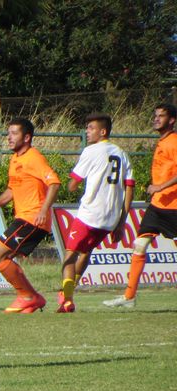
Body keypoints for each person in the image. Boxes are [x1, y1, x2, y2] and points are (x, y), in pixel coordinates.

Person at [0, 117, 61, 313]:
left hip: (33, 218)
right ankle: (31, 298)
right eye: (8, 133)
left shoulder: (34, 157)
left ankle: (28, 296)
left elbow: (54, 183)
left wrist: (43, 210)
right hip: (24, 218)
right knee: (3, 257)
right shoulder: (15, 159)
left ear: (27, 137)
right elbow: (12, 190)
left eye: (14, 133)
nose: (9, 137)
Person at [104, 103, 177, 308]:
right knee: (140, 245)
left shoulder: (174, 142)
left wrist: (160, 186)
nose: (156, 119)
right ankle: (129, 296)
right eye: (155, 115)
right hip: (157, 206)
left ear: (172, 120)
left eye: (161, 116)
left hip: (173, 206)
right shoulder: (162, 141)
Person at [59, 113, 134, 312]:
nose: (87, 131)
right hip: (110, 218)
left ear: (103, 131)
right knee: (86, 252)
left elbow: (73, 184)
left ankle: (67, 299)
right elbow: (130, 187)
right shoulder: (122, 153)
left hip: (89, 214)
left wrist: (70, 185)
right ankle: (69, 292)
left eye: (91, 128)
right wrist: (121, 222)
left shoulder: (91, 151)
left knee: (70, 255)